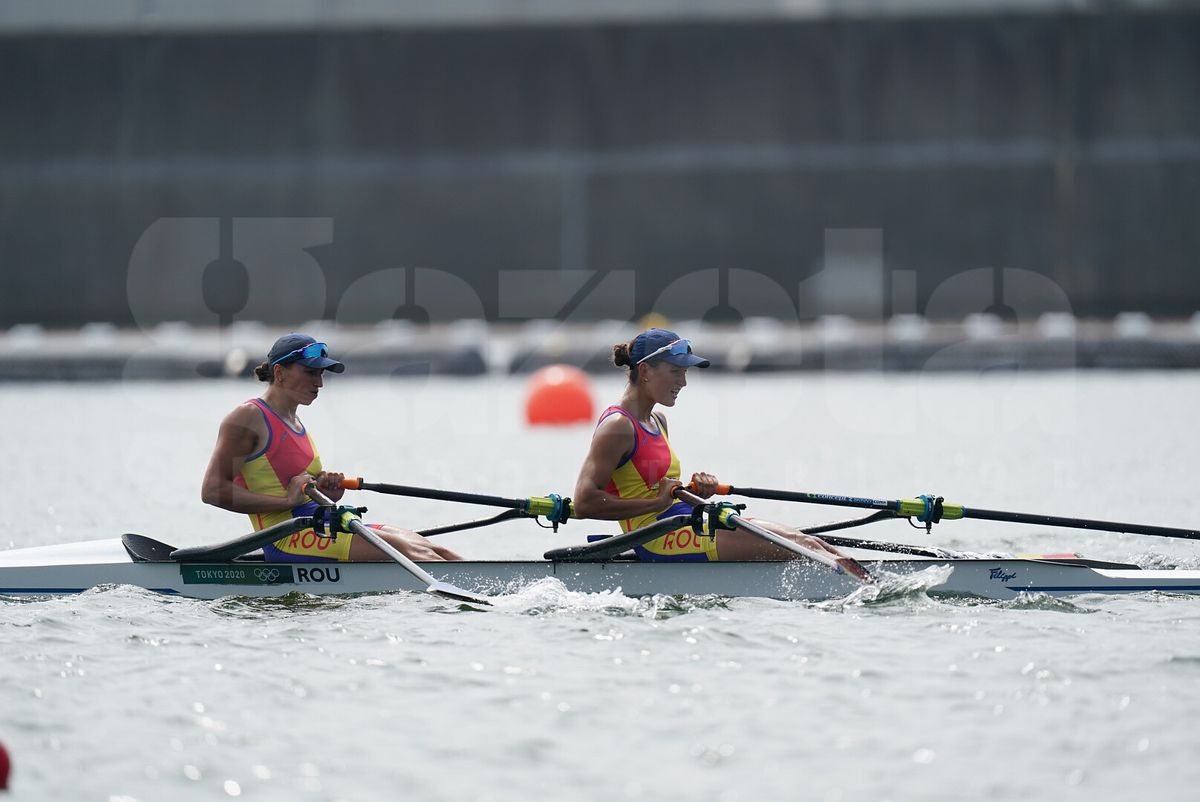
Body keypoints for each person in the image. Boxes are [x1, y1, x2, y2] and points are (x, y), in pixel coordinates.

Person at [573, 328, 859, 563]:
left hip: (685, 519)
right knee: (803, 550)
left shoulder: (658, 420)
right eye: (676, 371)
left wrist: (694, 488)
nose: (683, 382)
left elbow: (654, 485)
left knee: (809, 542)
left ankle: (869, 585)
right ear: (646, 370)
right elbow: (585, 502)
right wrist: (657, 503)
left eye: (685, 373)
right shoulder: (617, 427)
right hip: (656, 537)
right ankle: (864, 592)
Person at [201, 333, 461, 562]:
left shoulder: (295, 422)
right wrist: (286, 501)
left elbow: (300, 487)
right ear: (279, 373)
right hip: (287, 538)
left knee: (432, 549)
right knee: (413, 553)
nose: (319, 383)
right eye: (310, 372)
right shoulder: (247, 417)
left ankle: (482, 588)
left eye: (321, 374)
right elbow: (212, 490)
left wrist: (326, 491)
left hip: (321, 525)